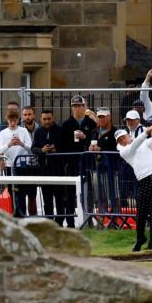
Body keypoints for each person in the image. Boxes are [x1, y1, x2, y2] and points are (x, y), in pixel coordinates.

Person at [116, 124, 152, 252]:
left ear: (128, 136)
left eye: (124, 137)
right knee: (141, 213)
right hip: (144, 179)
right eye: (119, 139)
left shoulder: (141, 142)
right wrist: (148, 130)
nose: (123, 140)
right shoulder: (124, 151)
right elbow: (135, 145)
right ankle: (140, 238)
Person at [58, 95, 96, 227]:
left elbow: (95, 141)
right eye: (74, 106)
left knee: (88, 193)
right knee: (69, 194)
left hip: (86, 163)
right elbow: (61, 145)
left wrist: (85, 137)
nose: (76, 108)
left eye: (79, 106)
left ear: (84, 107)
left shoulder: (91, 123)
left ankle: (89, 221)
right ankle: (70, 223)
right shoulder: (66, 124)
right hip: (71, 163)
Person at [0, 109, 33, 216]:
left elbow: (30, 148)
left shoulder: (23, 131)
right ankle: (12, 215)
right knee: (11, 192)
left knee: (21, 193)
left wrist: (21, 143)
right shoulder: (3, 133)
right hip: (9, 166)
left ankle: (22, 215)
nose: (12, 123)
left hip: (22, 166)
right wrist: (9, 144)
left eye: (15, 120)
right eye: (10, 120)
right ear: (7, 120)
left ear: (18, 120)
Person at [31, 110, 64, 223]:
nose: (47, 121)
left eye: (49, 118)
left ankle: (59, 222)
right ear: (41, 119)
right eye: (44, 119)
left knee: (60, 198)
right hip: (44, 170)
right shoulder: (38, 131)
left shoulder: (59, 130)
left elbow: (65, 146)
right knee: (47, 199)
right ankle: (49, 223)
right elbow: (33, 148)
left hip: (58, 170)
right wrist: (42, 150)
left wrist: (56, 149)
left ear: (52, 118)